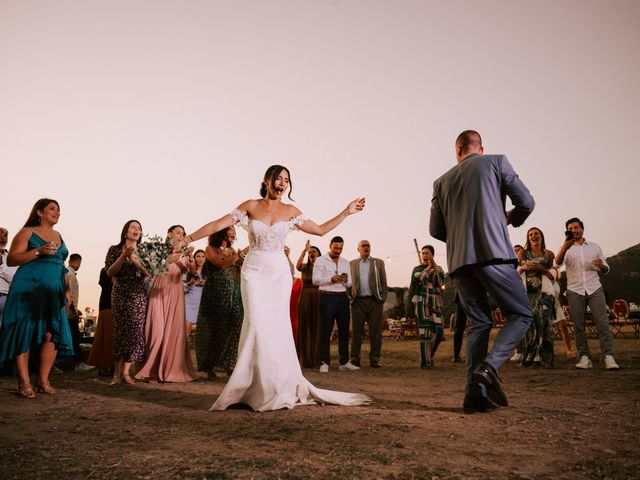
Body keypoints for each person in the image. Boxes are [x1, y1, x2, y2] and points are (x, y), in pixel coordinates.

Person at [185, 164, 371, 411]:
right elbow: (216, 225)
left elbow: (321, 230)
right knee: (256, 324)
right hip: (253, 272)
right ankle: (250, 386)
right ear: (266, 180)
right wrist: (187, 239)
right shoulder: (250, 206)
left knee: (277, 327)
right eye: (278, 178)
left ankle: (277, 385)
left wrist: (346, 212)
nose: (282, 183)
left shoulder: (291, 210)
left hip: (279, 274)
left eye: (286, 180)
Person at [429, 130, 534, 413]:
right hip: (495, 254)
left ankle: (473, 397)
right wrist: (508, 221)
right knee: (521, 313)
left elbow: (436, 230)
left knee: (479, 324)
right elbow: (526, 202)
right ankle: (489, 367)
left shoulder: (441, 182)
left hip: (460, 262)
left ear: (458, 151)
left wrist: (463, 237)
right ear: (481, 148)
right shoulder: (497, 162)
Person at [0, 199, 74, 397]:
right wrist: (37, 251)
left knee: (53, 333)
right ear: (39, 212)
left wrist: (67, 290)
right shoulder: (27, 232)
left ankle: (43, 380)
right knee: (24, 332)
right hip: (28, 288)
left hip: (54, 290)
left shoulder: (59, 235)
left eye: (59, 209)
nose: (57, 212)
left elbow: (62, 264)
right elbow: (12, 258)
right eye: (52, 208)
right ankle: (24, 381)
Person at [555, 217, 619, 370]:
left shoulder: (595, 247)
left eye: (576, 227)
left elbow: (606, 268)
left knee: (602, 323)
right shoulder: (566, 248)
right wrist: (564, 246)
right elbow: (556, 264)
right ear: (567, 231)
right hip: (574, 290)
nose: (574, 230)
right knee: (578, 326)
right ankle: (584, 357)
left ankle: (608, 357)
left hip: (594, 288)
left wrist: (602, 266)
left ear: (582, 229)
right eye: (570, 228)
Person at [136, 225, 195, 383]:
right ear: (169, 234)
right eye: (178, 232)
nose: (181, 235)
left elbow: (192, 271)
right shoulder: (160, 248)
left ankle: (170, 369)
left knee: (172, 332)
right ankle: (152, 370)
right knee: (157, 330)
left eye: (183, 233)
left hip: (175, 293)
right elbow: (161, 262)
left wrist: (190, 257)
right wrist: (181, 251)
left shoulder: (185, 253)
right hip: (159, 290)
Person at [195, 226, 244, 378]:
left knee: (236, 326)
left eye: (234, 232)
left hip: (232, 290)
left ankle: (231, 363)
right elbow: (221, 263)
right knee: (218, 330)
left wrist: (242, 257)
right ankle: (210, 366)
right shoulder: (210, 249)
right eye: (230, 230)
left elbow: (241, 263)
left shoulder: (233, 251)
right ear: (221, 232)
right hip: (215, 291)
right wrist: (238, 256)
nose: (233, 234)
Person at [105, 220, 148, 385]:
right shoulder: (114, 250)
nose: (136, 230)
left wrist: (135, 260)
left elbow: (149, 273)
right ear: (125, 232)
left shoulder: (144, 251)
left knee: (136, 331)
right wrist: (123, 256)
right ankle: (116, 373)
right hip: (121, 292)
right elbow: (110, 272)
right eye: (133, 227)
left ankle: (126, 372)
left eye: (139, 228)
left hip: (138, 294)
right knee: (120, 331)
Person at [313, 236, 359, 373]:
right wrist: (330, 279)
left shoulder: (345, 262)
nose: (338, 251)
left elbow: (349, 283)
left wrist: (345, 280)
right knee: (326, 331)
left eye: (340, 248)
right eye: (336, 248)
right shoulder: (320, 260)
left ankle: (344, 362)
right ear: (330, 245)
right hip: (327, 298)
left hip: (342, 298)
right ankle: (324, 363)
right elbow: (315, 280)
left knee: (344, 331)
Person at [517, 227, 556, 368]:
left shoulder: (549, 254)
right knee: (530, 325)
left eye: (536, 234)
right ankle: (531, 357)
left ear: (541, 236)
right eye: (531, 234)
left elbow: (553, 275)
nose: (534, 236)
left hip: (545, 293)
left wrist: (542, 268)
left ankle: (545, 358)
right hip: (527, 294)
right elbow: (515, 272)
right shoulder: (523, 253)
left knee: (546, 325)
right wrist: (523, 268)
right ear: (528, 238)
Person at [349, 240, 388, 368]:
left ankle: (375, 359)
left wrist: (382, 298)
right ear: (358, 249)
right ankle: (355, 359)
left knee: (376, 332)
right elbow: (348, 283)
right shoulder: (352, 264)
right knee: (356, 332)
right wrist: (349, 297)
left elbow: (384, 282)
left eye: (368, 246)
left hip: (374, 301)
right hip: (357, 301)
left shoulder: (378, 263)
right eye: (363, 246)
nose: (366, 248)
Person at [406, 245, 445, 368]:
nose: (424, 255)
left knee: (439, 332)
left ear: (432, 255)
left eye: (427, 253)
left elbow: (439, 282)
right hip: (421, 304)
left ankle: (430, 355)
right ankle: (425, 362)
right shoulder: (417, 269)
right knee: (424, 333)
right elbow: (419, 278)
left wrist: (433, 268)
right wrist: (429, 267)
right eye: (423, 253)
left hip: (436, 303)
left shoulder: (439, 269)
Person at [295, 241, 322, 368]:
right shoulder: (304, 267)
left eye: (314, 251)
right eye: (310, 252)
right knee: (305, 326)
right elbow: (298, 266)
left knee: (316, 326)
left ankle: (315, 359)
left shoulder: (323, 267)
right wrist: (304, 251)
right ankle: (304, 359)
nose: (312, 253)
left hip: (318, 297)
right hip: (305, 297)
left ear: (319, 255)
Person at [66, 253, 94, 372]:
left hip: (69, 311)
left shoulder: (67, 273)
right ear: (77, 262)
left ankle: (72, 363)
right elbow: (69, 295)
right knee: (74, 338)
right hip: (69, 313)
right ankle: (78, 363)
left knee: (72, 338)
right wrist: (74, 310)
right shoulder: (70, 275)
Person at [87, 268, 115, 375]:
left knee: (105, 335)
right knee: (108, 336)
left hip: (106, 304)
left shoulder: (104, 270)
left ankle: (106, 364)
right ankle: (108, 364)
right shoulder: (107, 271)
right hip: (109, 304)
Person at [184, 249, 206, 337]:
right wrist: (190, 283)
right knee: (186, 329)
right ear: (194, 258)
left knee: (199, 333)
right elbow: (181, 288)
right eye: (198, 256)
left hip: (200, 304)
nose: (200, 259)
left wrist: (206, 284)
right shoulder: (188, 272)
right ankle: (179, 350)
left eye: (203, 257)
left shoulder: (208, 274)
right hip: (188, 303)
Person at [0, 227, 18, 329]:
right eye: (0, 234)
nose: (2, 238)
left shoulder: (10, 258)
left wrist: (1, 266)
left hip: (5, 299)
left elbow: (14, 278)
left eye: (5, 235)